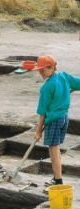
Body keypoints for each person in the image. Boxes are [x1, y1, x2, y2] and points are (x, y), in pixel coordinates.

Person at [33, 55, 80, 186]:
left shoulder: (46, 87)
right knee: (56, 148)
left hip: (54, 120)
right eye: (39, 70)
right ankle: (56, 177)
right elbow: (78, 83)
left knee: (53, 150)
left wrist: (38, 131)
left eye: (44, 70)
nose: (41, 73)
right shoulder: (63, 76)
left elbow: (42, 111)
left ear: (53, 67)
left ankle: (58, 180)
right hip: (64, 118)